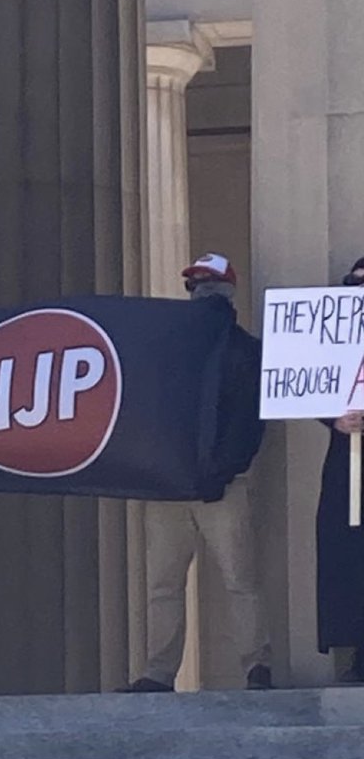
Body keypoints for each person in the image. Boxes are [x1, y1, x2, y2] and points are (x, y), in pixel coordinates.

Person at [122, 253, 270, 693]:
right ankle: (157, 673)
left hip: (223, 486)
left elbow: (251, 422)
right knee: (162, 585)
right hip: (170, 486)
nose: (200, 290)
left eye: (208, 281)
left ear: (228, 290)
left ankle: (256, 666)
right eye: (194, 283)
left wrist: (222, 471)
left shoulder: (246, 349)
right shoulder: (167, 349)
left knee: (240, 580)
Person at [316, 257, 364, 681]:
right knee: (350, 556)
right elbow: (308, 382)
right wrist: (335, 418)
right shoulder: (332, 339)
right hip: (348, 463)